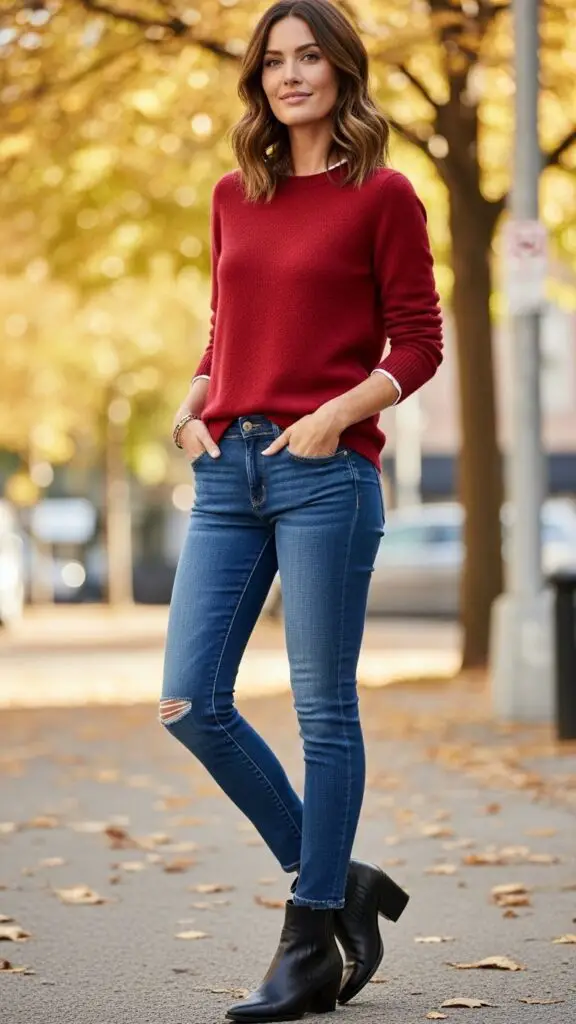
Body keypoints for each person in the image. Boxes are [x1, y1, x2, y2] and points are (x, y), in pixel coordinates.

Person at [161, 1, 443, 1020]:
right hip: (227, 474)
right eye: (273, 60)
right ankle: (341, 884)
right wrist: (196, 395)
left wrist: (334, 415)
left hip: (327, 472)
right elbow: (227, 319)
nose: (289, 75)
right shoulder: (236, 194)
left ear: (340, 71)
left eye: (307, 57)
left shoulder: (387, 196)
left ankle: (307, 940)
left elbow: (418, 343)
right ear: (259, 80)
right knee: (191, 702)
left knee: (324, 709)